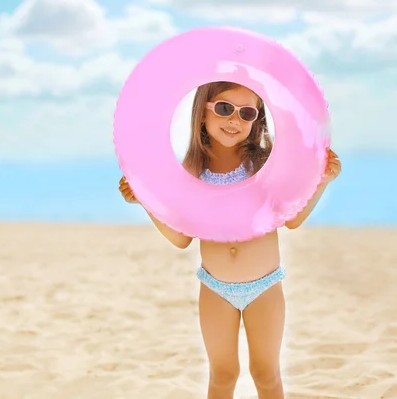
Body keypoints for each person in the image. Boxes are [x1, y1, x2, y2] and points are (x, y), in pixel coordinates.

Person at [118, 81, 341, 399]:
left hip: (264, 286)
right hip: (215, 287)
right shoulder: (193, 170)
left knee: (266, 374)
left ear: (257, 121)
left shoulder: (264, 164)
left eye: (246, 113)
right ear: (203, 113)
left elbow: (292, 219)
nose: (234, 120)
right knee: (222, 375)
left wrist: (321, 181)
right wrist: (146, 202)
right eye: (224, 108)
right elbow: (181, 238)